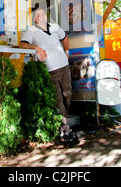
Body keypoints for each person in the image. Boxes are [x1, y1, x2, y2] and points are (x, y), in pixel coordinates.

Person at [19, 8, 77, 144]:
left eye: (43, 14)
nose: (42, 16)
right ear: (35, 19)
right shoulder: (31, 31)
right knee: (59, 102)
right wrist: (36, 48)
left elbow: (65, 38)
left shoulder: (56, 27)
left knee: (67, 95)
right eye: (38, 15)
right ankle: (66, 131)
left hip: (64, 66)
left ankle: (63, 124)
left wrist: (67, 52)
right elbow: (22, 44)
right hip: (50, 70)